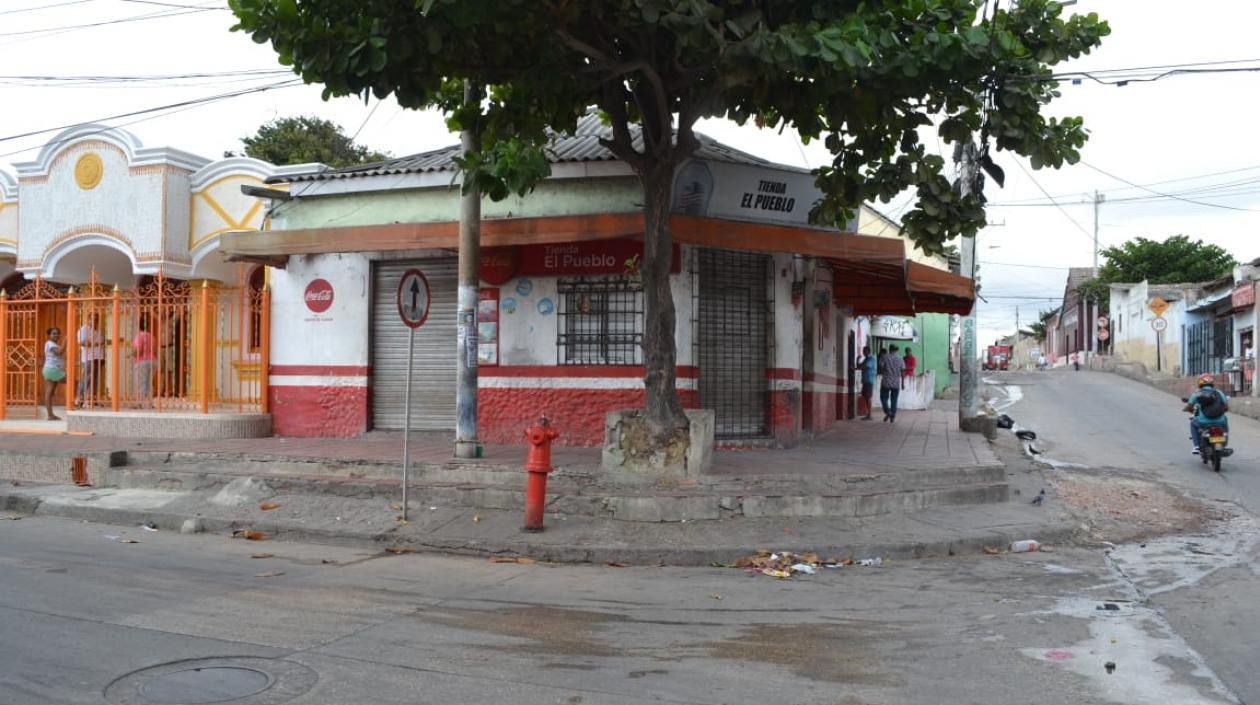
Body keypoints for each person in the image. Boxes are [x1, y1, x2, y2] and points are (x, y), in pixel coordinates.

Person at [1183, 374, 1229, 455]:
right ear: (1212, 383)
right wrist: (1222, 412)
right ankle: (1224, 445)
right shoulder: (1219, 392)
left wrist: (1186, 410)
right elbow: (1226, 406)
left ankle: (1196, 446)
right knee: (1225, 421)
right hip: (1220, 421)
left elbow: (1189, 406)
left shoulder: (1197, 394)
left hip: (1203, 422)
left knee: (1193, 423)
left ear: (1200, 384)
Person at [76, 313, 105, 408]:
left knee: (94, 380)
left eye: (96, 319)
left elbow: (102, 342)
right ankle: (79, 399)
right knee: (87, 379)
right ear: (87, 319)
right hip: (89, 358)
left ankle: (92, 400)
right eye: (92, 318)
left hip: (98, 358)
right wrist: (96, 343)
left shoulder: (97, 331)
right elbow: (83, 343)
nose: (94, 320)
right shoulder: (84, 329)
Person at [42, 327, 66, 421]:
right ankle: (77, 402)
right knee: (74, 383)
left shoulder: (53, 344)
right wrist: (65, 341)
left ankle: (50, 415)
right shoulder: (49, 343)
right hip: (53, 370)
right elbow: (59, 352)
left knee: (49, 393)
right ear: (49, 335)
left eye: (58, 333)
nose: (57, 335)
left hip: (50, 369)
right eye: (54, 333)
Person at [879, 343, 906, 423]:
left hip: (886, 382)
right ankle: (892, 417)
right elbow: (902, 371)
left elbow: (880, 367)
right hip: (896, 383)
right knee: (894, 400)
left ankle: (888, 412)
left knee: (883, 398)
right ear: (896, 350)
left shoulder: (884, 357)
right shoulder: (900, 358)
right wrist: (902, 383)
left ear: (889, 349)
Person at [132, 317, 156, 408]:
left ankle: (139, 402)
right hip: (153, 361)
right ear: (148, 326)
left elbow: (139, 349)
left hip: (142, 362)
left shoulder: (139, 336)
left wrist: (131, 354)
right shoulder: (151, 336)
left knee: (141, 382)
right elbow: (154, 350)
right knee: (149, 383)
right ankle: (150, 403)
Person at [856, 345, 877, 420]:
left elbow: (865, 367)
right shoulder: (866, 359)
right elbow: (860, 366)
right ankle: (868, 413)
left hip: (869, 380)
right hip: (865, 380)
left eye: (864, 351)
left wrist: (856, 368)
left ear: (868, 351)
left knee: (868, 397)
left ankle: (870, 414)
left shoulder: (871, 359)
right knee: (865, 396)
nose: (863, 352)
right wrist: (857, 360)